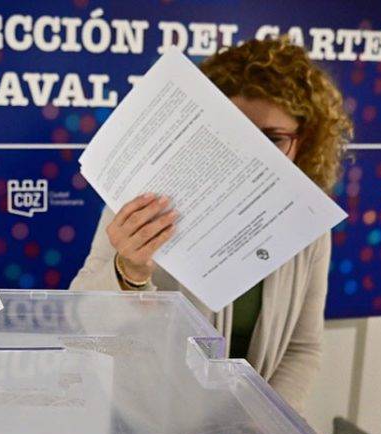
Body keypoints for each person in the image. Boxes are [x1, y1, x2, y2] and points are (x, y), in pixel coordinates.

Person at [70, 37, 353, 414]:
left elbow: (302, 348)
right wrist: (128, 272)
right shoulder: (147, 200)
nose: (252, 153)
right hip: (146, 429)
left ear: (305, 140)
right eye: (237, 131)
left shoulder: (309, 224)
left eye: (272, 138)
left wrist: (267, 425)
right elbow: (83, 320)